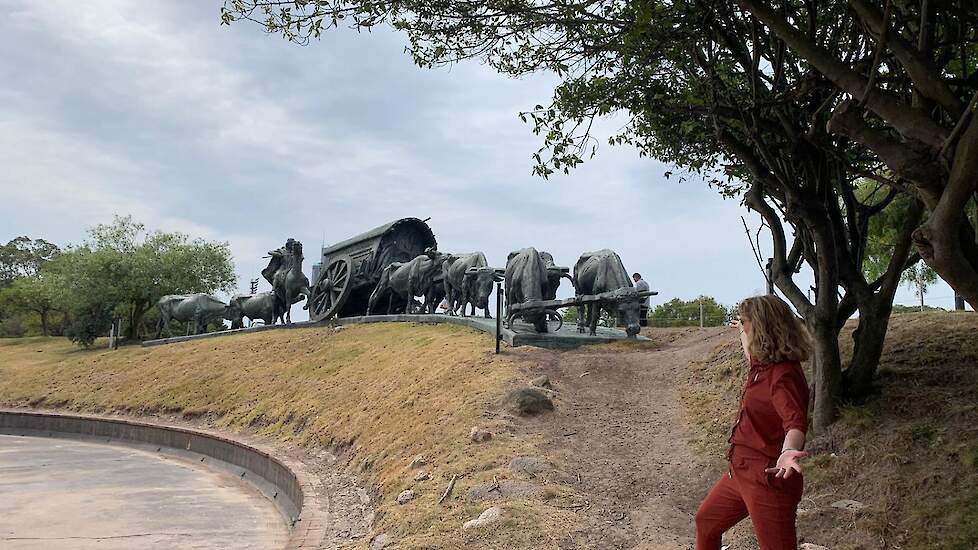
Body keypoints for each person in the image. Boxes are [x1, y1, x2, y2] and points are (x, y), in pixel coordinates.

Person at [695, 294, 811, 549]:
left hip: (767, 476)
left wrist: (789, 451)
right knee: (706, 522)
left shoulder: (782, 376)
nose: (743, 327)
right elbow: (749, 352)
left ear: (762, 327)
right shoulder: (761, 365)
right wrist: (741, 332)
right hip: (739, 471)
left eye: (746, 322)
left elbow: (795, 423)